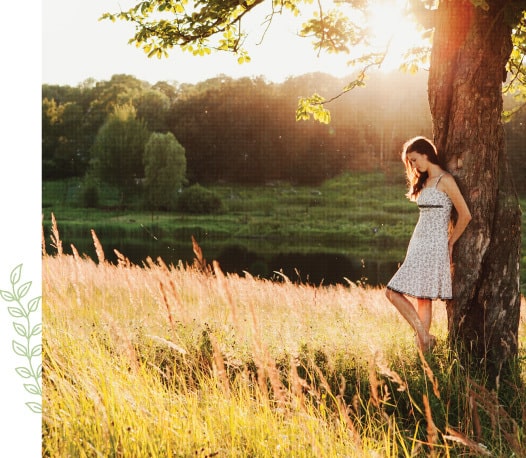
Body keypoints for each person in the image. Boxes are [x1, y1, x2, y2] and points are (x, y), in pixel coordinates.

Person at [385, 136, 472, 352]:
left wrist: (450, 243)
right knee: (412, 297)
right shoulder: (424, 183)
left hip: (434, 244)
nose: (414, 166)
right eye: (411, 162)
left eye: (414, 160)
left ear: (426, 153)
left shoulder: (446, 180)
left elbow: (466, 215)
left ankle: (424, 345)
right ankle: (425, 343)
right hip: (418, 243)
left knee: (401, 294)